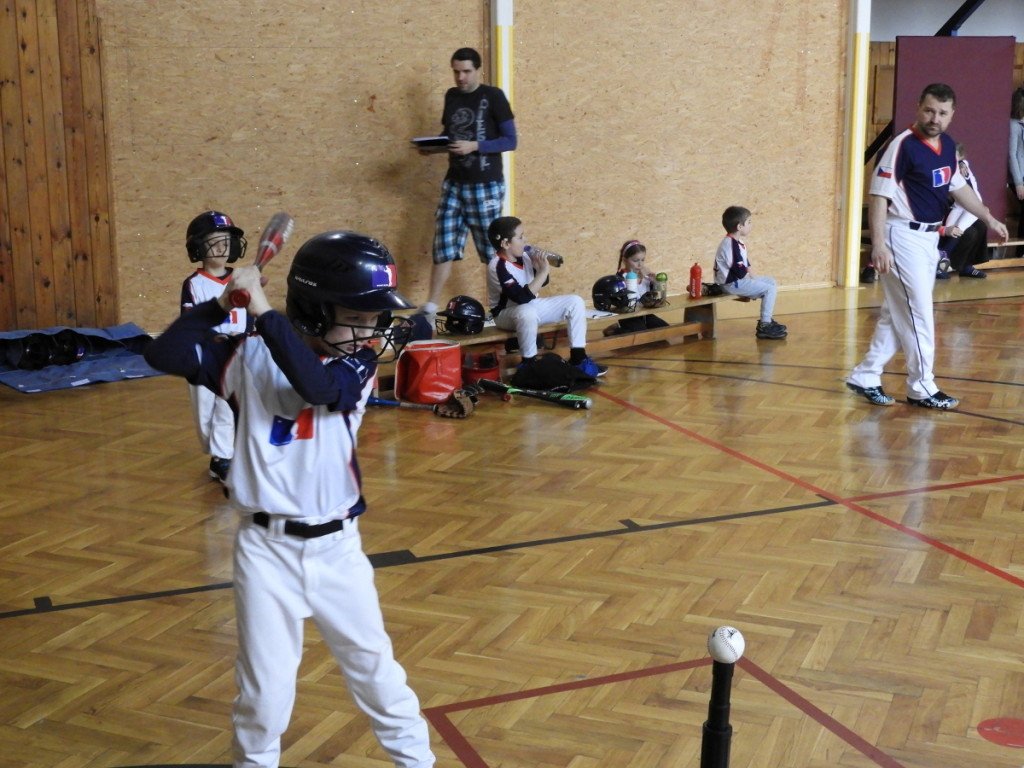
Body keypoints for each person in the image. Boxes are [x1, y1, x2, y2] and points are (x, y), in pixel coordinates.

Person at [144, 231, 436, 768]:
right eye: (358, 315)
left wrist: (261, 310)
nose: (371, 330)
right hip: (265, 552)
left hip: (338, 553)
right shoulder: (244, 356)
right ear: (314, 308)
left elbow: (316, 390)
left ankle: (418, 762)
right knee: (264, 693)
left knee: (376, 674)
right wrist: (217, 306)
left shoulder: (359, 366)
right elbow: (161, 352)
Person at [847, 83, 1008, 410]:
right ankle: (922, 386)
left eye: (942, 113)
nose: (935, 118)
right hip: (900, 235)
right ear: (919, 107)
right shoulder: (901, 146)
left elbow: (958, 186)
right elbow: (879, 195)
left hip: (927, 238)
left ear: (952, 115)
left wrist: (988, 217)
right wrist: (878, 244)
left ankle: (867, 374)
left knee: (897, 312)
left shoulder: (947, 145)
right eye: (929, 110)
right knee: (919, 313)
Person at [417, 47, 517, 319]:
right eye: (456, 71)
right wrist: (433, 147)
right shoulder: (451, 96)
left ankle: (502, 307)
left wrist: (475, 145)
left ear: (477, 70)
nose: (460, 77)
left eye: (466, 71)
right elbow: (450, 136)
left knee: (490, 250)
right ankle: (430, 305)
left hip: (485, 184)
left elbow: (511, 140)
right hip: (455, 183)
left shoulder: (493, 96)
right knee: (444, 243)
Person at [487, 215, 606, 378]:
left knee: (575, 302)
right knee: (526, 311)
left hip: (530, 307)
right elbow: (521, 297)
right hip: (505, 314)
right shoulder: (497, 266)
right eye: (520, 237)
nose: (525, 240)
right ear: (506, 244)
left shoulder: (525, 256)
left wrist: (539, 268)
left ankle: (579, 359)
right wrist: (543, 272)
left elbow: (541, 283)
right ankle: (529, 365)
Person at [181, 210, 250, 484]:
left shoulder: (242, 278)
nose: (222, 247)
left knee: (227, 404)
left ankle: (225, 456)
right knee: (205, 410)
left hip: (237, 352)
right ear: (198, 246)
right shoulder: (193, 284)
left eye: (226, 241)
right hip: (205, 352)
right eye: (214, 241)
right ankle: (218, 456)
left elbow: (252, 315)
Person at [713, 206, 788, 340]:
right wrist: (753, 283)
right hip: (731, 284)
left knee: (771, 282)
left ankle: (767, 319)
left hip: (737, 281)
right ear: (739, 227)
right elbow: (739, 270)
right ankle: (765, 325)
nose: (751, 225)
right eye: (749, 222)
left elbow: (746, 264)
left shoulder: (738, 242)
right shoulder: (729, 245)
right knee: (769, 289)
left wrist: (755, 279)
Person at [936, 144, 987, 279]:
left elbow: (962, 163)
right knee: (950, 229)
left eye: (955, 156)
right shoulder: (944, 167)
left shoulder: (962, 165)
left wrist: (961, 163)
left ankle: (953, 262)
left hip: (973, 204)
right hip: (957, 205)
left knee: (975, 227)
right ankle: (942, 259)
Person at [605, 240, 668, 335]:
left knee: (664, 330)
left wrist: (655, 281)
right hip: (628, 315)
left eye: (642, 260)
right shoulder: (620, 278)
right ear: (625, 260)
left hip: (644, 314)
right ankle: (613, 330)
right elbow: (625, 301)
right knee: (640, 332)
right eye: (635, 260)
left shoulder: (646, 276)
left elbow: (657, 298)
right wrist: (634, 278)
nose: (640, 264)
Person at [1009, 87, 1024, 257]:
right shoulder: (1014, 125)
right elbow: (1012, 154)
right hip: (1019, 176)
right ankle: (1020, 253)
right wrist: (1019, 183)